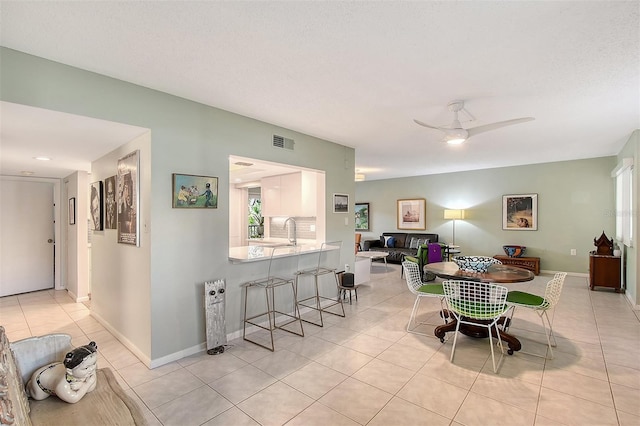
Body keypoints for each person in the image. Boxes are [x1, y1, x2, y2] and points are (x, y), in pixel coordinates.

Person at [26, 342, 98, 404]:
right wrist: (87, 383)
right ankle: (29, 387)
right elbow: (74, 398)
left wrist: (81, 385)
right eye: (86, 368)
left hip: (56, 369)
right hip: (39, 382)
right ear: (70, 371)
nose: (92, 369)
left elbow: (90, 388)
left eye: (94, 363)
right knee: (39, 397)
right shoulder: (62, 384)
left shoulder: (87, 371)